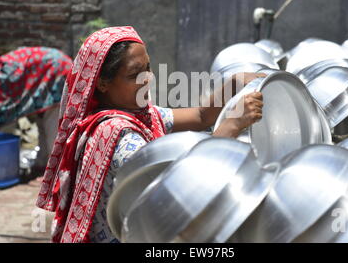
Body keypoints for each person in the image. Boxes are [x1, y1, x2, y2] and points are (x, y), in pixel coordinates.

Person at [36, 26, 264, 243]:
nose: (148, 78)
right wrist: (231, 127)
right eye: (135, 73)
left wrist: (234, 83)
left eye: (148, 67)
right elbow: (184, 196)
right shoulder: (118, 139)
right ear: (103, 83)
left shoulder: (142, 115)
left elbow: (200, 116)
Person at [0, 46, 73, 173]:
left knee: (52, 125)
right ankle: (42, 166)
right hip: (49, 72)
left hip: (57, 71)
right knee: (42, 122)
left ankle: (56, 171)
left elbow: (3, 110)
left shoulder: (6, 73)